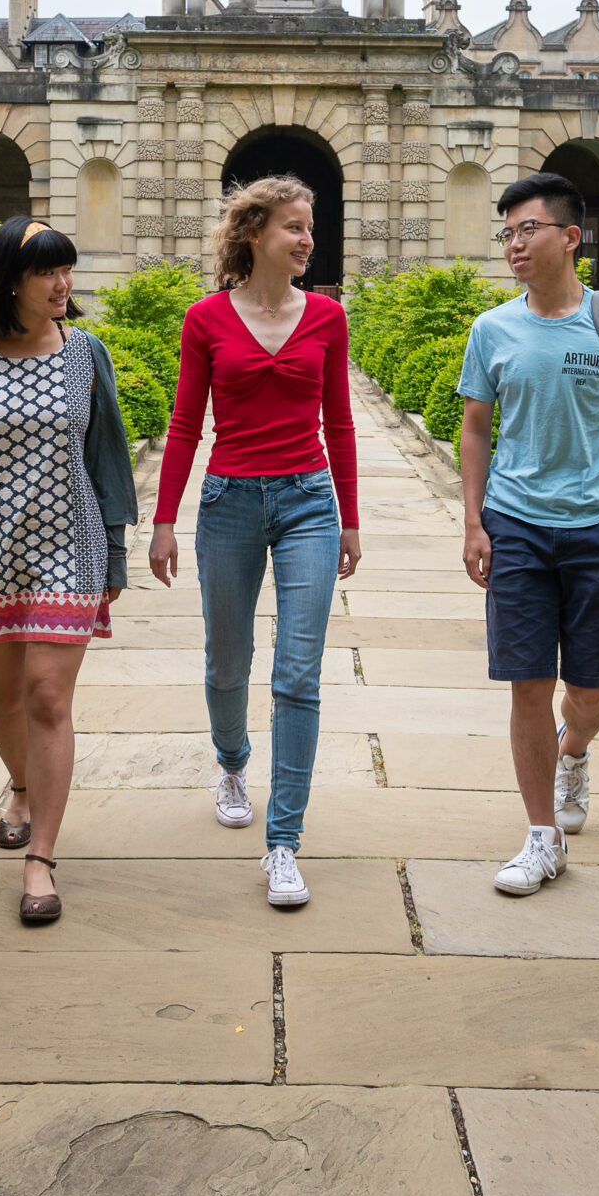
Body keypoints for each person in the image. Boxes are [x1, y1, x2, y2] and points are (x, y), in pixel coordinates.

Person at [149, 176, 361, 907]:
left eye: (310, 228)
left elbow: (340, 422)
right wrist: (164, 519)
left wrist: (352, 519)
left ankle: (283, 843)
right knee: (226, 662)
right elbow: (183, 423)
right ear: (254, 234)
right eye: (294, 227)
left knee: (298, 674)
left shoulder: (327, 317)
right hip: (229, 501)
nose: (307, 239)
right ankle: (232, 760)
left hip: (308, 498)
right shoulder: (205, 319)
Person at [0, 216, 139, 925]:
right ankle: (21, 785)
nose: (63, 283)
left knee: (49, 696)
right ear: (10, 281)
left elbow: (106, 454)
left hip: (68, 545)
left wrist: (113, 548)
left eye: (66, 269)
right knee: (8, 699)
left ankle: (40, 856)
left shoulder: (87, 355)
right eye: (49, 271)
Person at [455, 171, 599, 896]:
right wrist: (475, 519)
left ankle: (575, 751)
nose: (513, 242)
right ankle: (542, 836)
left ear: (570, 237)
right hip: (517, 525)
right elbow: (475, 427)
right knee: (527, 682)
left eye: (527, 229)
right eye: (506, 231)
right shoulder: (493, 329)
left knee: (591, 688)